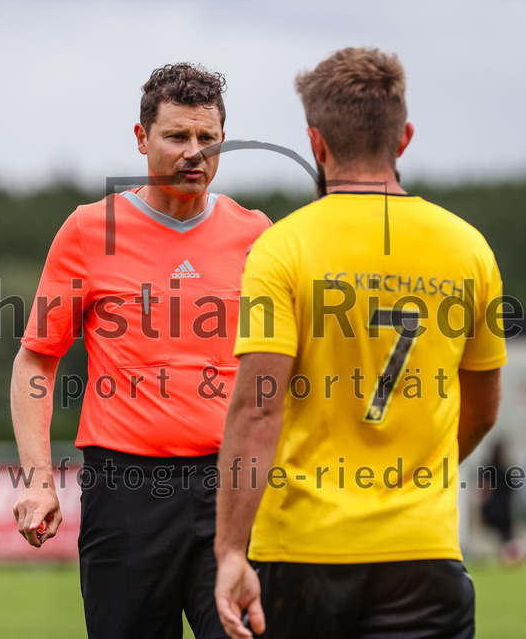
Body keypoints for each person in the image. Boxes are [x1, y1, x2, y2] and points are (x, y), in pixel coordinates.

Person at [214, 47, 507, 639]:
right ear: (404, 139)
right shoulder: (469, 248)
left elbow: (257, 410)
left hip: (301, 549)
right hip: (423, 549)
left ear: (316, 144)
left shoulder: (282, 247)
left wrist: (229, 550)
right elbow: (481, 411)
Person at [11, 62, 271, 639]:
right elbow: (36, 359)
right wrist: (38, 478)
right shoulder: (89, 231)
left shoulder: (257, 235)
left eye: (207, 138)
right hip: (124, 491)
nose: (194, 153)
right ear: (141, 137)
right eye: (177, 136)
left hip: (231, 488)